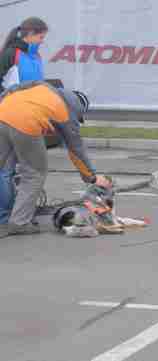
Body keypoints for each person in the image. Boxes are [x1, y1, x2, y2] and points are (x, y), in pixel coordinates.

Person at [0, 81, 110, 237]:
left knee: (3, 170)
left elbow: (12, 89)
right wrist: (92, 177)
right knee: (34, 174)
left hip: (2, 113)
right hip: (26, 121)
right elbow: (76, 150)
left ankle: (6, 215)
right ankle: (19, 222)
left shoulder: (44, 87)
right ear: (79, 109)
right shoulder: (68, 113)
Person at [0, 17, 48, 93]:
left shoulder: (37, 56)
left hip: (35, 102)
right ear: (30, 34)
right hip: (14, 103)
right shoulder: (11, 53)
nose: (42, 41)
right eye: (41, 37)